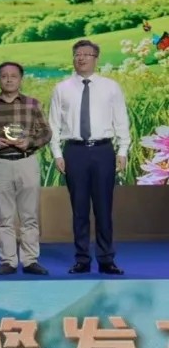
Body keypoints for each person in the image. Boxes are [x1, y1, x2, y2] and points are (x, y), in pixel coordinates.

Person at [49, 39, 129, 275]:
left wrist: (122, 150)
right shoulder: (61, 88)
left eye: (86, 54)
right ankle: (82, 259)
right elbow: (53, 124)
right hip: (75, 151)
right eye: (77, 54)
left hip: (103, 151)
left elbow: (121, 120)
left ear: (96, 58)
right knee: (79, 209)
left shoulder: (111, 87)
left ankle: (106, 259)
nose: (81, 58)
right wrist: (57, 153)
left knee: (104, 208)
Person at [0, 62, 52, 276]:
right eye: (4, 76)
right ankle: (8, 261)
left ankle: (30, 260)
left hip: (27, 161)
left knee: (29, 215)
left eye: (13, 76)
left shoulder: (33, 105)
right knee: (4, 216)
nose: (9, 79)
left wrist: (30, 142)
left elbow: (46, 133)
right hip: (0, 163)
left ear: (20, 79)